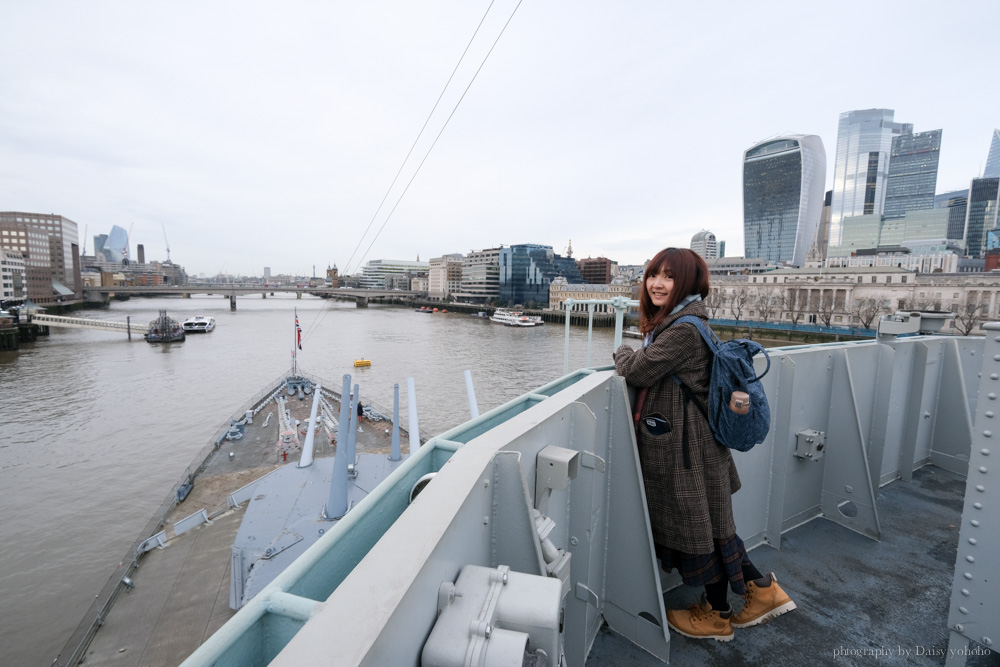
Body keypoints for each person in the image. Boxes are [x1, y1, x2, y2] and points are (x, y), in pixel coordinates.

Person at [613, 248, 795, 642]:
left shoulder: (683, 330)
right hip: (696, 446)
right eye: (652, 275)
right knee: (714, 530)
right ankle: (759, 593)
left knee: (700, 533)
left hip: (687, 452)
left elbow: (640, 370)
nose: (657, 283)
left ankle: (718, 615)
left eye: (669, 276)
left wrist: (623, 352)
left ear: (689, 283)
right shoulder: (687, 323)